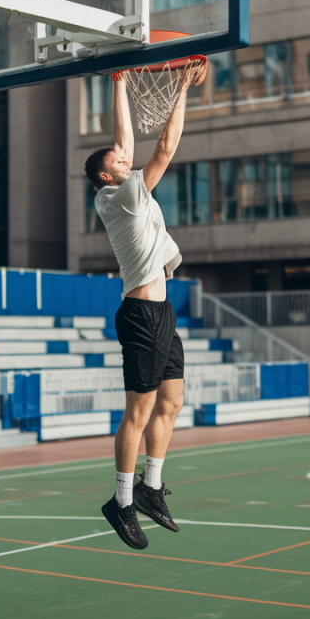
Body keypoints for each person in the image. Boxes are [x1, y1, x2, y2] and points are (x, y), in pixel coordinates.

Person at [85, 63, 206, 549]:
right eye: (118, 159)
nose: (125, 157)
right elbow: (165, 146)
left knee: (172, 402)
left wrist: (117, 83)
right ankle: (121, 500)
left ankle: (151, 488)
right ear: (104, 174)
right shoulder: (122, 198)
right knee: (138, 411)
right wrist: (180, 87)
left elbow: (124, 138)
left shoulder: (125, 187)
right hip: (140, 316)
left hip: (161, 313)